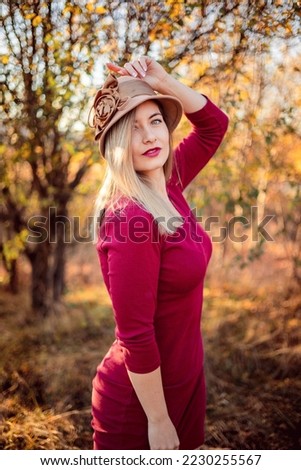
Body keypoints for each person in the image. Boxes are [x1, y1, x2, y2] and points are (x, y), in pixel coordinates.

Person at [89, 56, 229, 450]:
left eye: (155, 121)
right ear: (116, 145)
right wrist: (158, 419)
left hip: (185, 381)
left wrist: (163, 81)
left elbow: (214, 126)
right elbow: (135, 334)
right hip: (143, 404)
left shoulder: (169, 183)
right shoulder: (129, 217)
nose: (151, 136)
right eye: (133, 129)